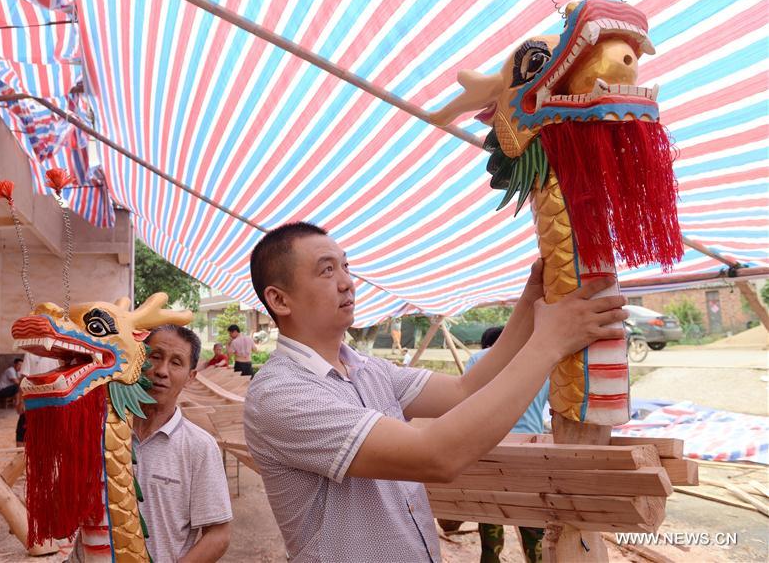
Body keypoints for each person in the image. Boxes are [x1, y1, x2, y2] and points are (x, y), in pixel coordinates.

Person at [243, 222, 627, 562]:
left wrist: (530, 300)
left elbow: (465, 390)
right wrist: (549, 344)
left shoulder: (367, 368)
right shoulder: (281, 394)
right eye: (327, 270)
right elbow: (436, 456)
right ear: (279, 300)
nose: (346, 281)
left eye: (346, 266)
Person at [451, 326, 550, 563]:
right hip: (530, 451)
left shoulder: (478, 360)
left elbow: (466, 404)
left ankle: (491, 556)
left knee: (490, 517)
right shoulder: (541, 364)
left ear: (488, 345)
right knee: (533, 524)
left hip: (492, 449)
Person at [135, 325, 232, 562]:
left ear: (190, 376)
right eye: (155, 357)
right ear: (139, 360)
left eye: (176, 362)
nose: (161, 371)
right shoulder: (105, 431)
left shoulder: (199, 446)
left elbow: (218, 535)